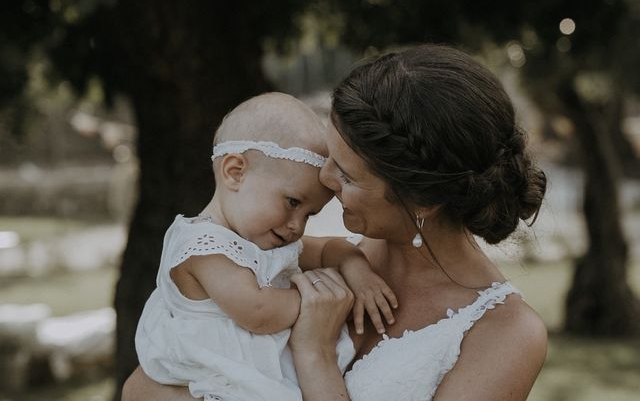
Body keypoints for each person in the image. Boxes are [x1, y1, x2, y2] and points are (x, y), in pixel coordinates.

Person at [123, 44, 548, 401]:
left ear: (422, 199)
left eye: (346, 174)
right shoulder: (307, 260)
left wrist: (315, 354)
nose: (324, 179)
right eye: (329, 158)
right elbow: (141, 390)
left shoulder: (505, 336)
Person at [133, 93, 395, 401]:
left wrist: (357, 270)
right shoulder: (204, 248)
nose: (297, 225)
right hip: (224, 381)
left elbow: (327, 249)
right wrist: (321, 302)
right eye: (292, 202)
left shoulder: (265, 240)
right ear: (235, 172)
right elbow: (257, 311)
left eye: (309, 214)